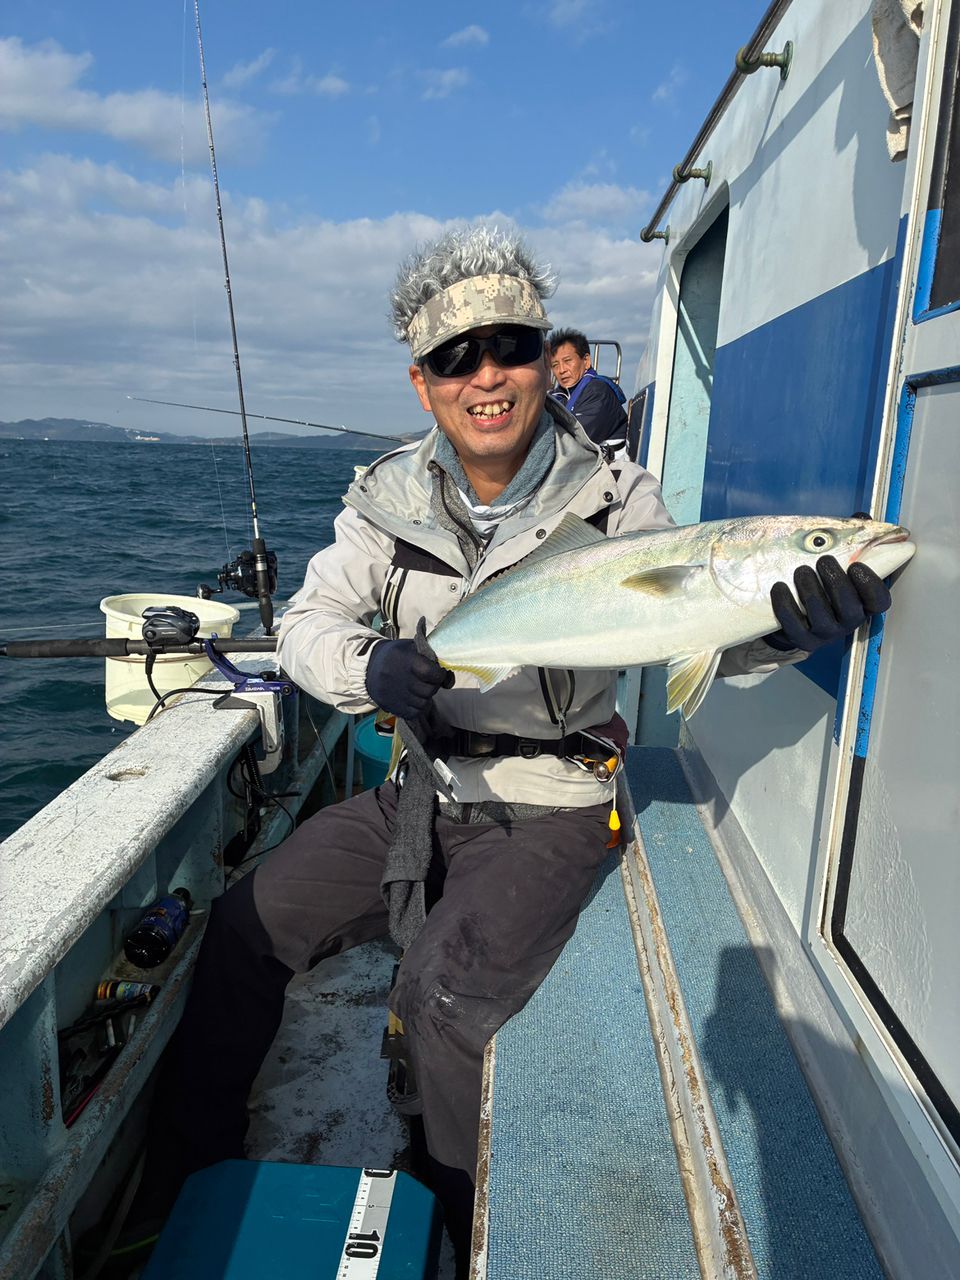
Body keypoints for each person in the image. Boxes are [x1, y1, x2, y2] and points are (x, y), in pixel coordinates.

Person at [133, 226, 895, 1275]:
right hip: (420, 783)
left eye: (510, 346)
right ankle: (185, 1181)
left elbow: (690, 622)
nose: (485, 375)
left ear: (543, 358)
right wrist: (376, 671)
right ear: (423, 382)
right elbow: (308, 627)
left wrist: (780, 624)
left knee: (442, 997)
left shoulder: (617, 498)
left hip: (553, 800)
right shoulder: (385, 499)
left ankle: (460, 1229)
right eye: (456, 358)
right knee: (245, 923)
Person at [548, 326, 628, 454]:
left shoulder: (599, 392)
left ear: (586, 361)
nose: (561, 370)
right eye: (555, 365)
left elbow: (579, 440)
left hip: (608, 469)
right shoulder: (556, 396)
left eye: (567, 361)